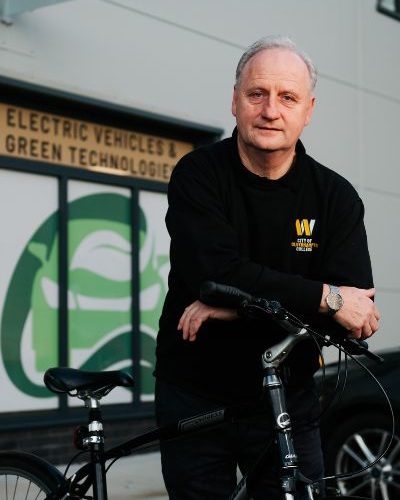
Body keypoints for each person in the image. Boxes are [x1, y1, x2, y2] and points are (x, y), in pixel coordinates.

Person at [154, 35, 380, 500]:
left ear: (308, 109)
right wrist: (325, 297)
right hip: (195, 390)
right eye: (257, 94)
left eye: (287, 97)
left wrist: (234, 306)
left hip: (288, 398)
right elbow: (213, 274)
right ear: (234, 101)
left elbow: (356, 316)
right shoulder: (197, 175)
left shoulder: (335, 197)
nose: (270, 110)